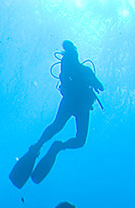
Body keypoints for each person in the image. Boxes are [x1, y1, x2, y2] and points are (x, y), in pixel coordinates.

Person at [10, 40, 104, 186]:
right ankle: (39, 146)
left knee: (75, 138)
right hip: (72, 101)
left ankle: (55, 147)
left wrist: (91, 80)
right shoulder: (68, 63)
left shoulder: (85, 70)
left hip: (81, 105)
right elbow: (65, 75)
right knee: (58, 127)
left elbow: (101, 87)